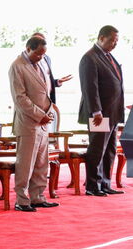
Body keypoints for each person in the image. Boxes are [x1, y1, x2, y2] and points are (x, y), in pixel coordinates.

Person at [8, 36, 59, 212]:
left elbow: (46, 90)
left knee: (41, 163)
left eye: (43, 54)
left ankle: (38, 196)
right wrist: (39, 115)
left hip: (44, 121)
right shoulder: (17, 66)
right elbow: (20, 98)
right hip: (28, 122)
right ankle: (21, 200)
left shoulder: (43, 62)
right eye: (37, 54)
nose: (40, 57)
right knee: (26, 163)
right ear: (28, 48)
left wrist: (49, 111)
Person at [78, 25, 125, 196]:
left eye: (117, 41)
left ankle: (105, 183)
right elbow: (90, 88)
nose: (115, 44)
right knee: (97, 149)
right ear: (101, 37)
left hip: (113, 113)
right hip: (99, 114)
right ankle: (92, 186)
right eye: (112, 40)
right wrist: (96, 111)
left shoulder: (108, 56)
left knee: (110, 149)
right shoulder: (89, 58)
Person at [32, 32, 72, 104]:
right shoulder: (25, 62)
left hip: (49, 100)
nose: (40, 44)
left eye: (42, 41)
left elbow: (46, 79)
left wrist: (57, 82)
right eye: (36, 42)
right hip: (34, 102)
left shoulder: (47, 58)